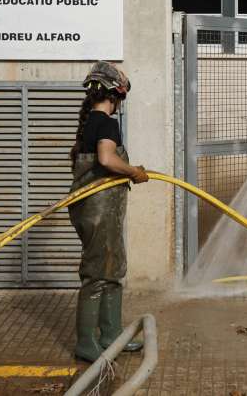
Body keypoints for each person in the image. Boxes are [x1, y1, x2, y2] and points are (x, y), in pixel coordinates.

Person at [68, 61, 149, 362]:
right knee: (97, 274)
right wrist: (134, 172)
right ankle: (87, 342)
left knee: (111, 270)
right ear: (116, 96)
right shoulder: (107, 123)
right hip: (100, 210)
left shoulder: (90, 122)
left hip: (96, 210)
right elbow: (106, 159)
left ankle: (111, 335)